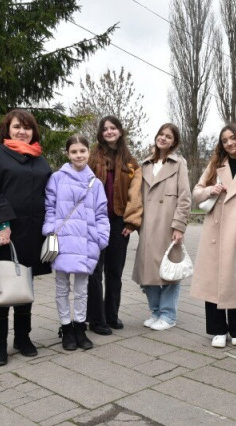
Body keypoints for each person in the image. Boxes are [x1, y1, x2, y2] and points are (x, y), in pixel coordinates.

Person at [0, 109, 52, 366]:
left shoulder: (40, 159)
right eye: (17, 127)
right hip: (4, 233)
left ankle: (22, 337)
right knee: (1, 287)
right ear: (7, 129)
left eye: (27, 127)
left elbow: (50, 193)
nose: (22, 131)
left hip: (32, 233)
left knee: (23, 287)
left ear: (33, 131)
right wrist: (3, 223)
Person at [190, 123, 236, 348]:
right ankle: (217, 329)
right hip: (214, 228)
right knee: (212, 279)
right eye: (225, 140)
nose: (230, 143)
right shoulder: (215, 165)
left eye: (233, 138)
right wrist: (209, 190)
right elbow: (196, 192)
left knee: (235, 279)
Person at [43, 135, 110, 351]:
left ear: (89, 152)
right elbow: (50, 207)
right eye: (74, 151)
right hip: (62, 241)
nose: (78, 155)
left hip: (86, 242)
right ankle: (66, 327)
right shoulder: (57, 178)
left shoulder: (96, 183)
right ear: (67, 154)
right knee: (62, 287)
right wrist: (50, 230)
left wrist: (100, 239)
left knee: (82, 289)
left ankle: (80, 327)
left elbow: (102, 213)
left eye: (82, 151)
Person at [86, 116, 143, 335]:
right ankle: (96, 318)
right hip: (95, 221)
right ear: (101, 133)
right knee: (95, 271)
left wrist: (131, 221)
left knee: (115, 271)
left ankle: (111, 315)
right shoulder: (92, 157)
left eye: (113, 128)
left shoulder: (131, 162)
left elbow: (136, 194)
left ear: (120, 131)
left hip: (119, 222)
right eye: (105, 129)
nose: (109, 131)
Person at [132, 123, 191, 331]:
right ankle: (155, 311)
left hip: (168, 225)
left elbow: (185, 197)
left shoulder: (179, 164)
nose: (163, 138)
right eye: (161, 134)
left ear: (174, 142)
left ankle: (168, 315)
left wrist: (179, 226)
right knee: (147, 272)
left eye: (168, 136)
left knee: (169, 272)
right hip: (148, 226)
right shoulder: (145, 164)